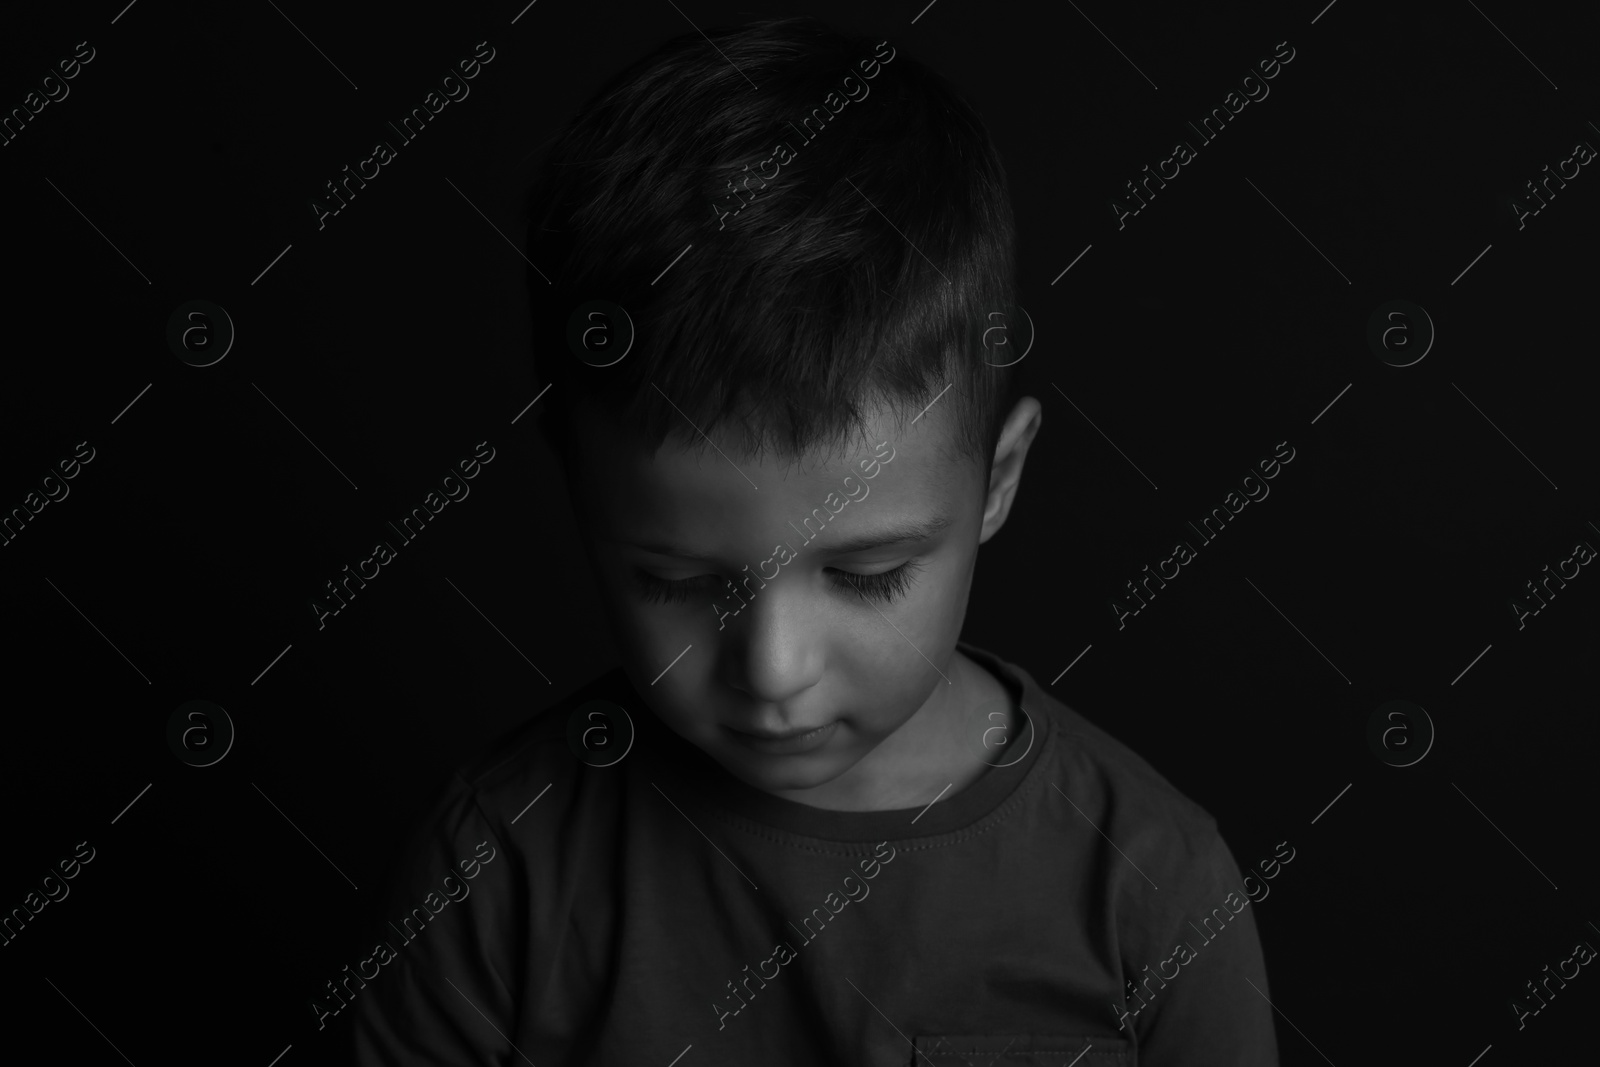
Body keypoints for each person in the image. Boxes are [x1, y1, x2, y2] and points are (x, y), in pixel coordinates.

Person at [345, 16, 1278, 1065]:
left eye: (867, 574)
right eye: (677, 579)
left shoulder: (1149, 884)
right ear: (580, 494)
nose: (772, 668)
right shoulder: (498, 870)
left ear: (998, 481)